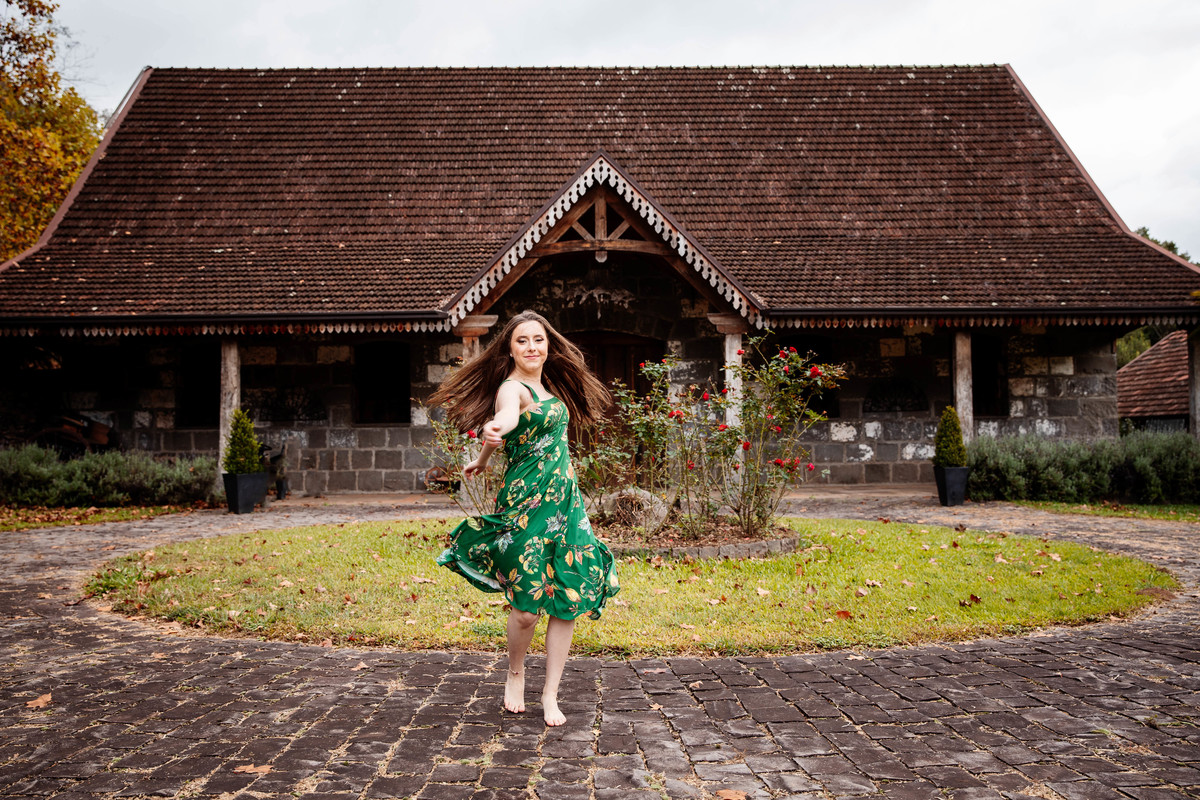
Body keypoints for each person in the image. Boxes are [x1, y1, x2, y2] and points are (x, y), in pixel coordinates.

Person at [429, 309, 620, 726]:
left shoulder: (549, 390)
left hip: (566, 507)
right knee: (527, 609)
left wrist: (481, 460)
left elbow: (504, 439)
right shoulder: (511, 389)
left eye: (538, 339)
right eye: (522, 341)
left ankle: (551, 693)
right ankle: (515, 672)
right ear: (510, 349)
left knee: (566, 600)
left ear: (548, 345)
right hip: (525, 506)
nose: (532, 347)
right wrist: (493, 431)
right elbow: (506, 420)